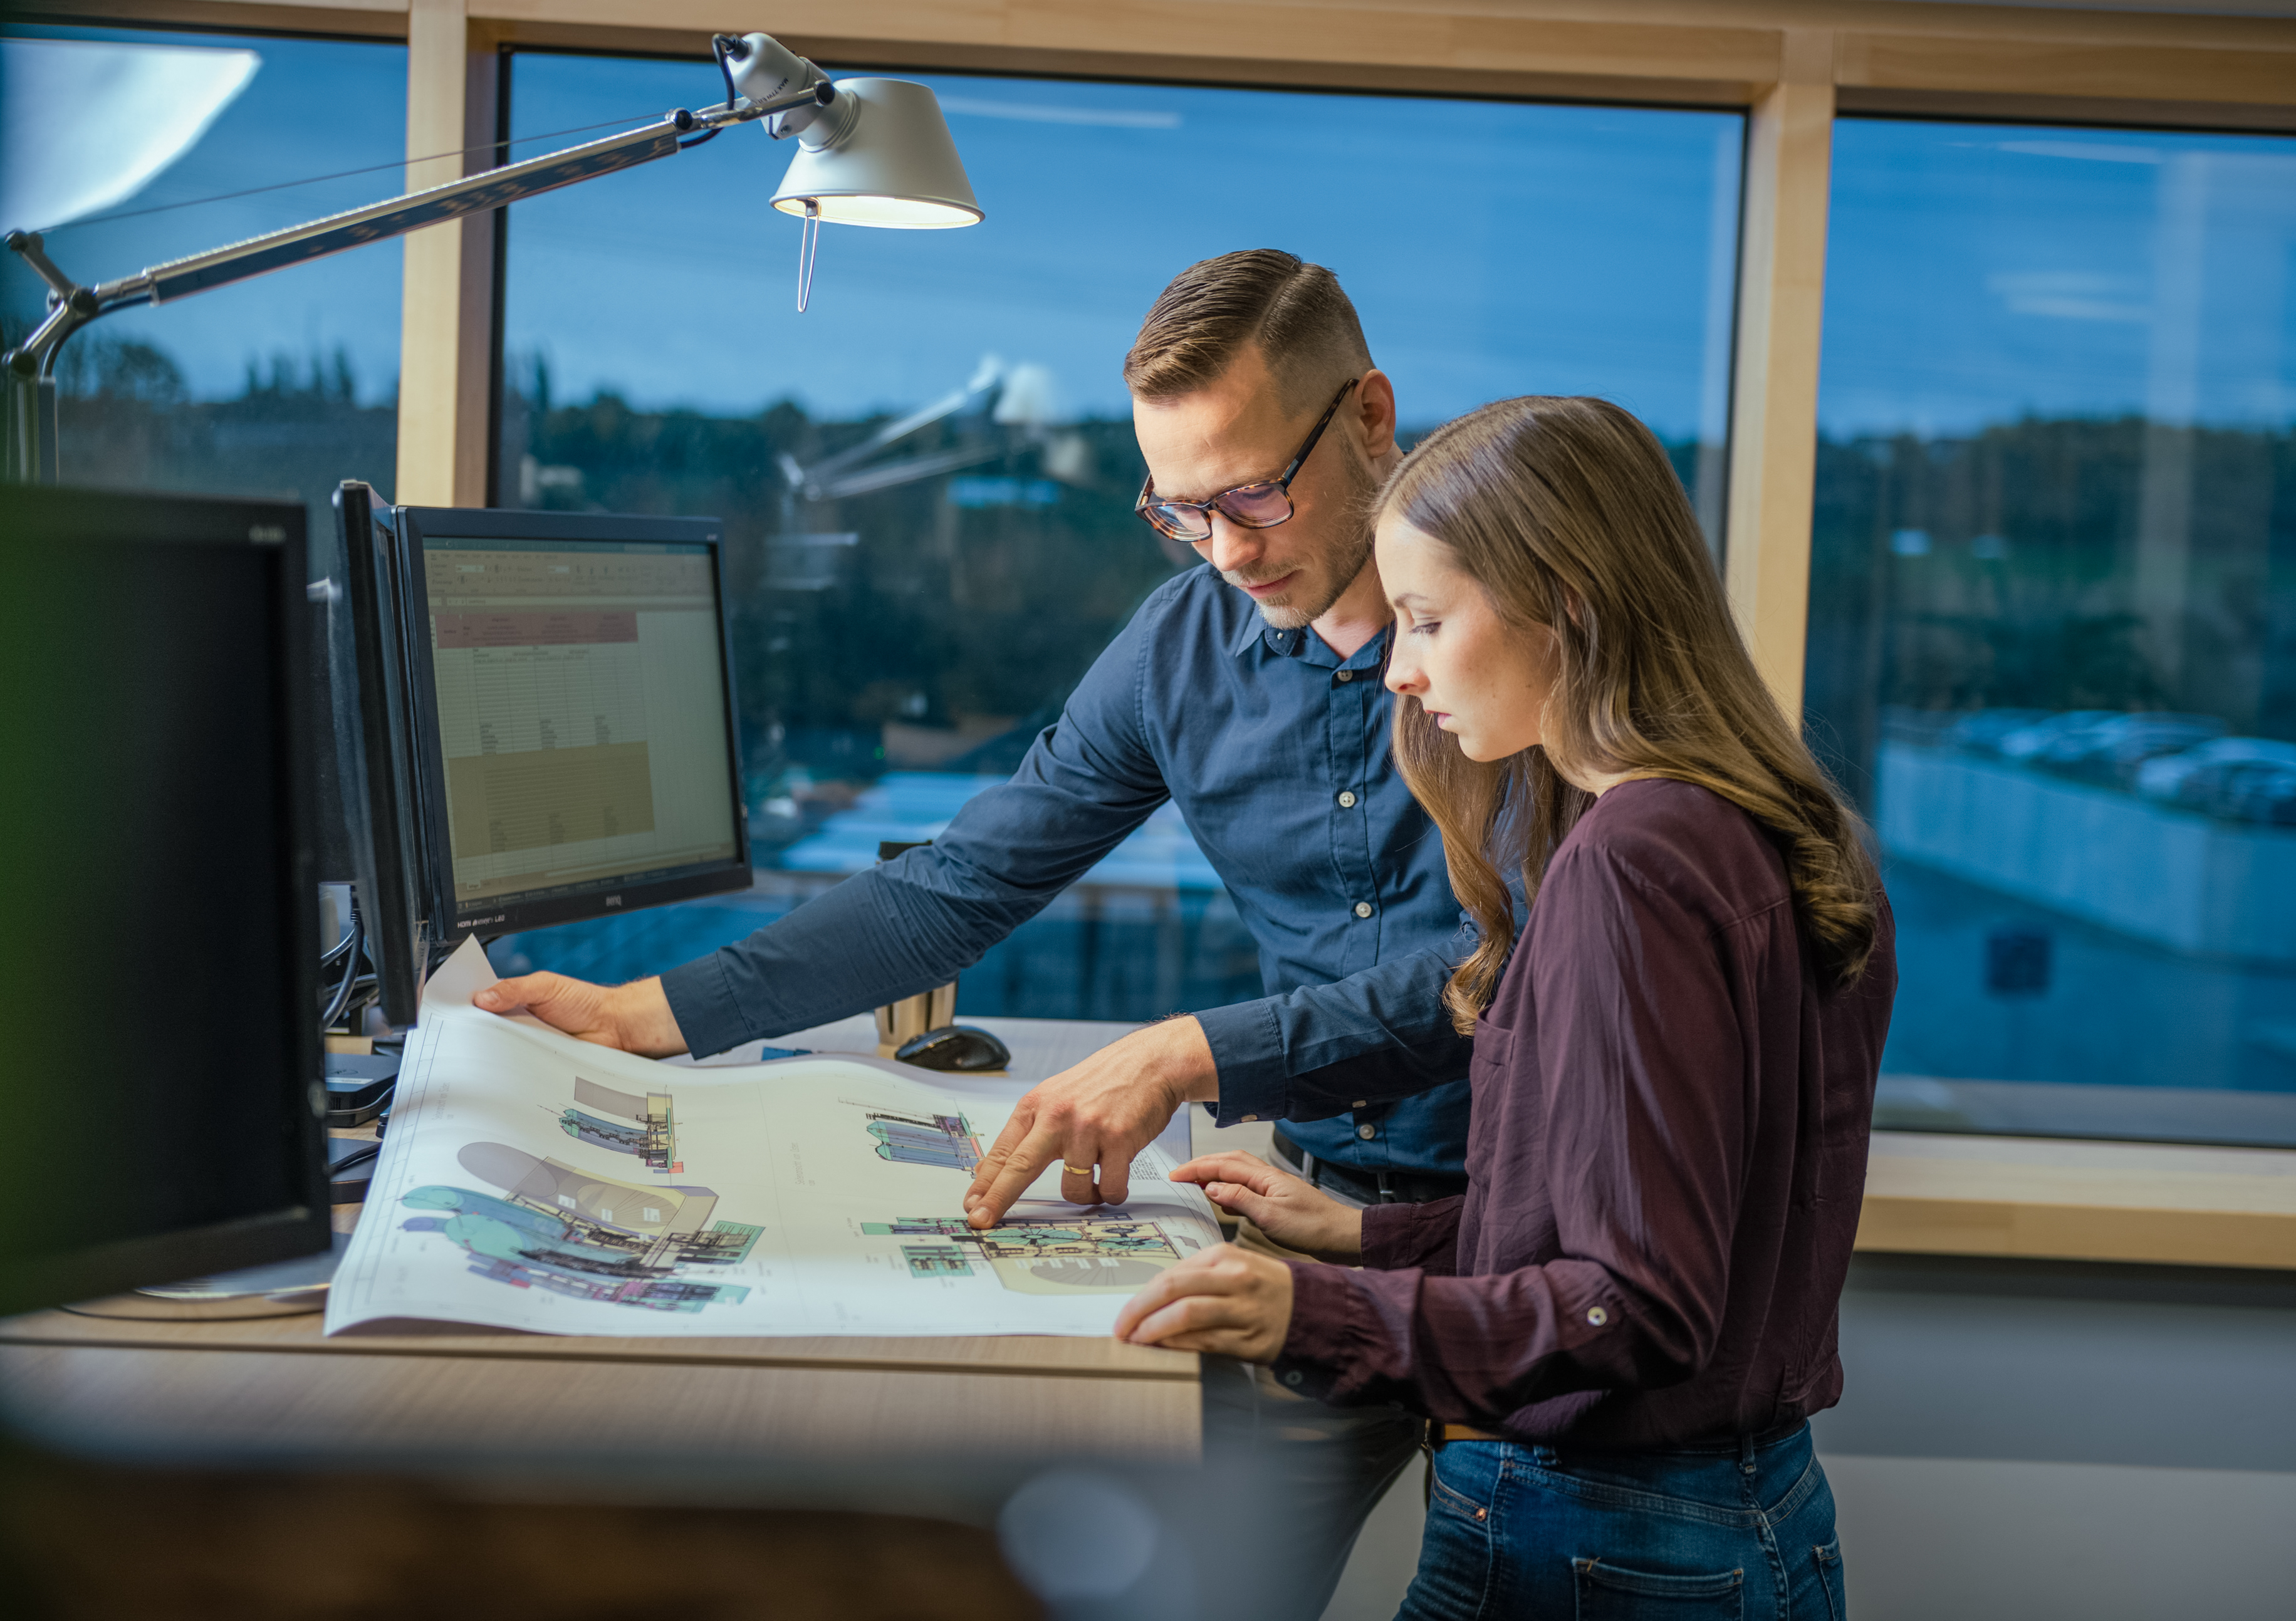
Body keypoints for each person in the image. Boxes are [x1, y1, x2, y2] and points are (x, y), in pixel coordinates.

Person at [467, 250, 1486, 1616]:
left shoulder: (1520, 630)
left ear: (1369, 414)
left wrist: (1190, 1052)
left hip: (1543, 1236)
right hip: (1317, 1220)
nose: (1227, 549)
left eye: (1252, 491)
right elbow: (959, 883)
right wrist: (651, 1008)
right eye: (1178, 510)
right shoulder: (1180, 645)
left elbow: (1518, 972)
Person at [1117, 395, 1897, 1618]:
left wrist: (1312, 1312)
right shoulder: (1772, 828)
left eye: (1426, 619)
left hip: (1596, 1529)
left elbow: (1630, 1304)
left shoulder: (1628, 860)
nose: (1398, 667)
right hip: (1758, 1513)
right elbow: (1648, 1223)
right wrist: (1357, 1235)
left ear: (1568, 603)